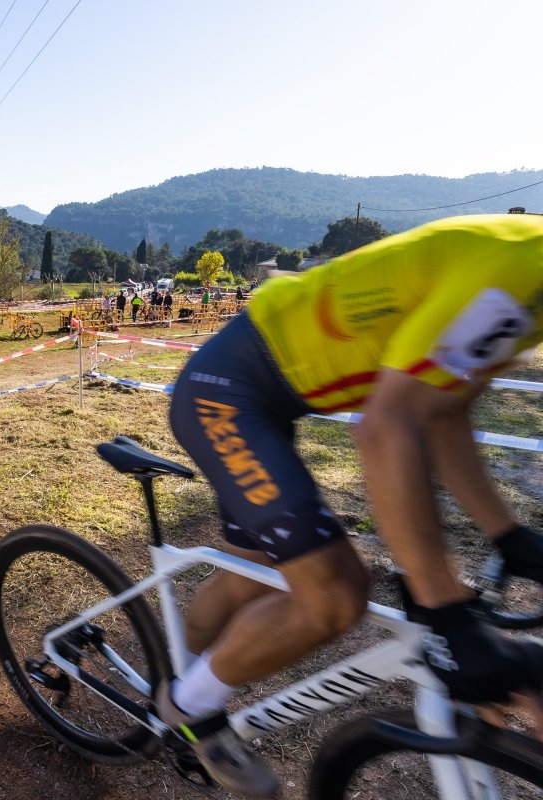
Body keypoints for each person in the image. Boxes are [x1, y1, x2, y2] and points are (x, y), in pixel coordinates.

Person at [161, 213, 543, 798]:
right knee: (336, 593)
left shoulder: (530, 289)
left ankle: (176, 668)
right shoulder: (520, 272)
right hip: (228, 391)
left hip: (270, 396)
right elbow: (389, 427)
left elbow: (444, 409)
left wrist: (509, 534)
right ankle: (190, 706)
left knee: (258, 576)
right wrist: (446, 610)